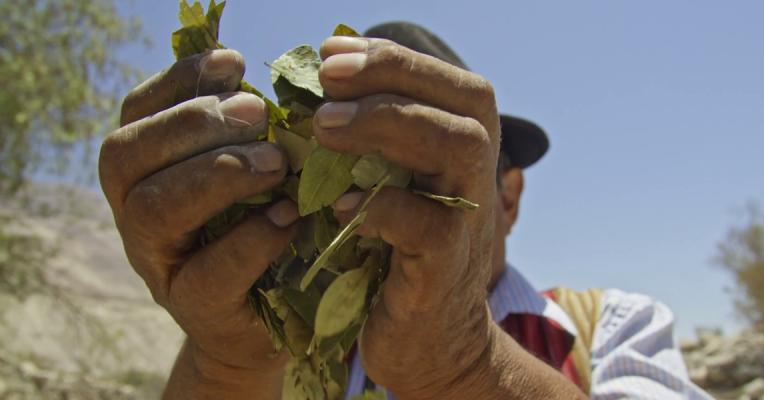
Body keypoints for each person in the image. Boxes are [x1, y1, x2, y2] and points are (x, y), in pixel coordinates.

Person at [99, 20, 710, 399]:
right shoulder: (289, 352)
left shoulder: (611, 328)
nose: (386, 203)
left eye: (432, 170)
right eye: (352, 167)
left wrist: (469, 369)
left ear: (510, 196)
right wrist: (226, 365)